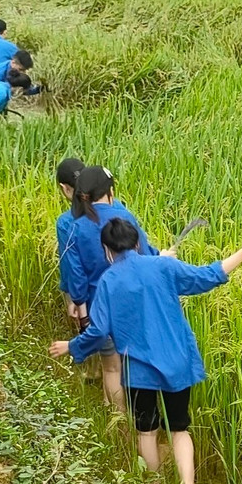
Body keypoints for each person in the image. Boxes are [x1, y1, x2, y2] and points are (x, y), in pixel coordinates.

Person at [49, 218, 242, 484]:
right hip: (176, 363)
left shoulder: (108, 282)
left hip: (139, 372)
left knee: (147, 432)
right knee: (179, 429)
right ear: (138, 242)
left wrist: (71, 346)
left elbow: (99, 331)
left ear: (106, 250)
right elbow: (209, 276)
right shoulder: (163, 266)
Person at [65, 164, 166, 408]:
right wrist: (160, 256)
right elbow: (143, 253)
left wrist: (79, 305)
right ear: (109, 192)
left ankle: (117, 420)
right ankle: (138, 424)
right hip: (130, 304)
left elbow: (74, 273)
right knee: (132, 364)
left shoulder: (75, 227)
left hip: (97, 306)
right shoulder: (124, 218)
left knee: (110, 368)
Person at [53, 156, 84, 321]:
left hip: (94, 300)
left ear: (64, 188)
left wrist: (72, 299)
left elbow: (71, 267)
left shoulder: (66, 222)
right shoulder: (115, 205)